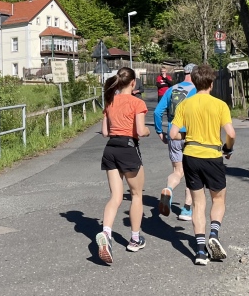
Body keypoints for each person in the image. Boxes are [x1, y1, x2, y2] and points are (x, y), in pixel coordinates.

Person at [169, 64, 236, 266]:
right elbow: (231, 133)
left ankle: (199, 251)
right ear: (211, 83)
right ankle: (213, 234)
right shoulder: (220, 105)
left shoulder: (185, 105)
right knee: (218, 198)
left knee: (198, 203)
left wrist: (187, 136)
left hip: (190, 155)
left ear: (195, 82)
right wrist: (228, 148)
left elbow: (173, 134)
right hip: (212, 155)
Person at [96, 67, 150, 264]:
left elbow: (105, 132)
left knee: (115, 197)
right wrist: (147, 132)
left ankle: (106, 233)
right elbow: (140, 130)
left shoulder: (110, 101)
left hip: (111, 149)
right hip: (128, 148)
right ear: (133, 83)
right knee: (136, 194)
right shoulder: (137, 102)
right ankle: (135, 239)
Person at [154, 63, 197, 221]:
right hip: (190, 134)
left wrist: (159, 131)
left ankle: (169, 189)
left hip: (173, 133)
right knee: (192, 172)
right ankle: (186, 209)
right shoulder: (197, 91)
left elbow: (157, 112)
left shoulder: (172, 89)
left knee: (178, 171)